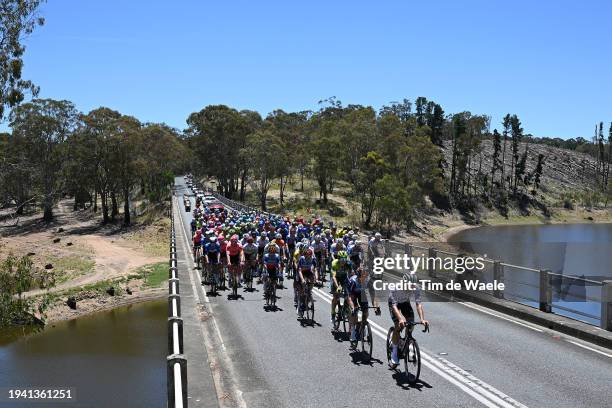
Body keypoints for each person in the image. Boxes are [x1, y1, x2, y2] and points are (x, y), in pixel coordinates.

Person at [388, 273, 428, 368]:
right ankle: (394, 350)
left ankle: (406, 341)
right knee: (398, 325)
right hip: (394, 304)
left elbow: (418, 304)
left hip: (405, 302)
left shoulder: (416, 287)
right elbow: (394, 306)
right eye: (410, 285)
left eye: (413, 286)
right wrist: (400, 319)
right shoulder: (395, 288)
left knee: (411, 323)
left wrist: (422, 319)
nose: (411, 288)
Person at [347, 267, 379, 347]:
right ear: (358, 276)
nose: (365, 278)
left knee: (366, 311)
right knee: (354, 311)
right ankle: (353, 331)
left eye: (365, 276)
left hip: (361, 293)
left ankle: (362, 325)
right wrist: (353, 307)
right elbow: (350, 298)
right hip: (353, 293)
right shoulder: (353, 281)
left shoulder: (368, 281)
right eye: (363, 276)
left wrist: (376, 307)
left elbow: (373, 296)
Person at [330, 250, 352, 326]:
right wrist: (338, 287)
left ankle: (347, 308)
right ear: (338, 258)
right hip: (336, 278)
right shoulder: (334, 263)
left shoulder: (348, 264)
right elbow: (334, 277)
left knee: (348, 294)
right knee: (336, 297)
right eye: (341, 259)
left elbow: (351, 274)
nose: (343, 261)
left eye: (344, 259)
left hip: (343, 278)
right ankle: (333, 313)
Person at [296, 248, 317, 318]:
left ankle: (309, 293)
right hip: (301, 272)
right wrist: (302, 279)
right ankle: (299, 306)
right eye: (306, 256)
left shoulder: (313, 259)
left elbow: (315, 269)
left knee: (312, 282)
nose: (308, 257)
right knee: (301, 290)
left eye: (309, 256)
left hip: (308, 271)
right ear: (304, 255)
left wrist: (316, 278)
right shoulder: (302, 259)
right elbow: (299, 270)